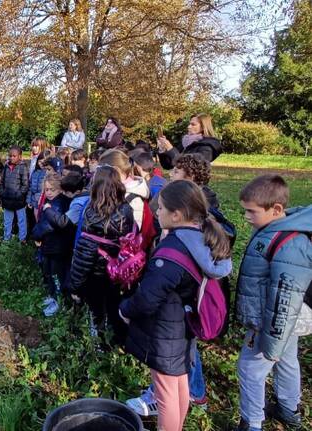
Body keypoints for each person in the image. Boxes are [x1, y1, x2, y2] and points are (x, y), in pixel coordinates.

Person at [119, 180, 232, 431]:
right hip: (183, 326)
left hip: (165, 332)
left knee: (166, 393)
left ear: (176, 214)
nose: (156, 212)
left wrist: (125, 310)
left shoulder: (173, 251)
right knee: (179, 383)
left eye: (160, 209)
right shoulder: (200, 238)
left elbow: (148, 298)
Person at [233, 175, 312, 431]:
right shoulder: (271, 229)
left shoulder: (289, 244)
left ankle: (252, 422)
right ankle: (289, 408)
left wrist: (271, 340)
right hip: (285, 319)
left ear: (276, 209)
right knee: (287, 359)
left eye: (251, 211)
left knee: (250, 368)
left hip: (275, 320)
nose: (245, 216)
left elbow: (285, 298)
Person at [70, 166, 134, 342]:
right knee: (114, 308)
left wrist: (74, 285)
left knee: (96, 311)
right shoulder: (126, 209)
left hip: (95, 274)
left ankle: (98, 345)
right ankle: (117, 342)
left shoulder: (91, 213)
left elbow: (84, 254)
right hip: (118, 272)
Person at [32, 173, 72, 317]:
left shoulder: (58, 204)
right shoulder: (52, 202)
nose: (48, 192)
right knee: (49, 272)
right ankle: (52, 296)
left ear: (60, 189)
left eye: (51, 190)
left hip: (57, 247)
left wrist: (36, 234)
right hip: (49, 245)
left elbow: (47, 226)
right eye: (46, 189)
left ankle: (58, 302)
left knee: (56, 275)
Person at [99, 149, 149, 229]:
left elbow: (132, 234)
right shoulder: (111, 188)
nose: (98, 174)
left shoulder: (134, 199)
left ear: (116, 171)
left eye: (101, 170)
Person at [157, 113, 222, 170]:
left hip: (194, 183)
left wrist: (170, 149)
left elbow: (191, 167)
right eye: (189, 124)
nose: (188, 127)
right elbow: (168, 166)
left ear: (203, 127)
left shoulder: (207, 146)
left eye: (193, 124)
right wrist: (162, 149)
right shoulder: (185, 142)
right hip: (178, 181)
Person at [0, 146, 29, 242]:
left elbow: (25, 185)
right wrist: (2, 193)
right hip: (7, 199)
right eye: (10, 156)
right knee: (7, 221)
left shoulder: (23, 167)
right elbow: (1, 182)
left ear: (20, 156)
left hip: (19, 201)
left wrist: (18, 195)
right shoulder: (6, 167)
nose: (12, 158)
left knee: (21, 221)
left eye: (14, 156)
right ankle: (6, 239)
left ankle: (22, 240)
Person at [27, 149, 50, 223]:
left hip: (43, 203)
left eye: (44, 162)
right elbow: (30, 187)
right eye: (40, 161)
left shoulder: (49, 173)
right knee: (36, 221)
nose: (41, 164)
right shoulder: (35, 172)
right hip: (34, 203)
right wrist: (29, 201)